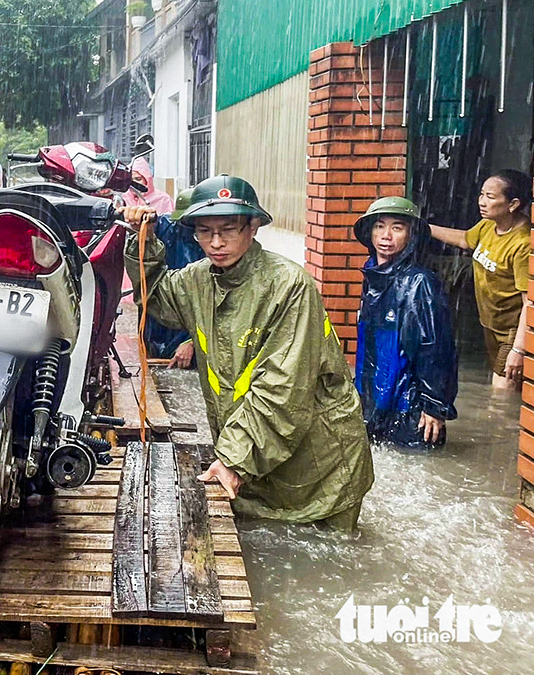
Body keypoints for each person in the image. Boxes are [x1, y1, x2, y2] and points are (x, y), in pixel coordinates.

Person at [123, 175, 374, 529]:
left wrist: (232, 458)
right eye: (204, 232)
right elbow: (156, 299)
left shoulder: (289, 286)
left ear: (253, 227)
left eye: (228, 230)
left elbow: (282, 391)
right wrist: (142, 241)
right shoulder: (199, 279)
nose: (216, 243)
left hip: (321, 472)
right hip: (257, 461)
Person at [354, 197, 458, 450]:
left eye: (397, 228)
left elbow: (436, 349)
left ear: (411, 235)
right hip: (372, 403)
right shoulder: (372, 276)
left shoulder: (419, 284)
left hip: (411, 410)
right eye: (379, 226)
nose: (386, 236)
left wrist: (434, 406)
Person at [428, 170, 533, 389]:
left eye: (490, 197)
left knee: (501, 394)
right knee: (511, 390)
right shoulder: (488, 226)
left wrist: (518, 349)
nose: (482, 202)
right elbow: (465, 240)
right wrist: (422, 228)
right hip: (491, 326)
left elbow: (529, 302)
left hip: (513, 331)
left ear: (513, 204)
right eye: (482, 194)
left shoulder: (522, 244)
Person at [141, 188, 205, 365]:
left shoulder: (214, 248)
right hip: (161, 316)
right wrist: (144, 224)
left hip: (195, 326)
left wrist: (192, 342)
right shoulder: (166, 228)